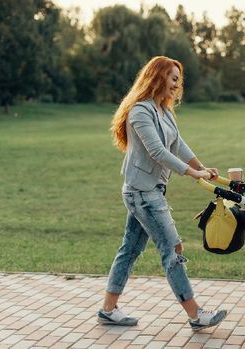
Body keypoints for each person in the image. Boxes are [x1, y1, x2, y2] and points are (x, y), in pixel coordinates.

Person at [98, 56, 227, 331]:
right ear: (157, 78)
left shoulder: (164, 111)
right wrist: (193, 174)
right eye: (173, 78)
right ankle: (195, 314)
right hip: (142, 193)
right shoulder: (140, 111)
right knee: (172, 249)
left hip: (148, 191)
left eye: (178, 80)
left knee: (129, 250)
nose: (177, 85)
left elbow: (177, 144)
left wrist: (202, 168)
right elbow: (157, 152)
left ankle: (108, 309)